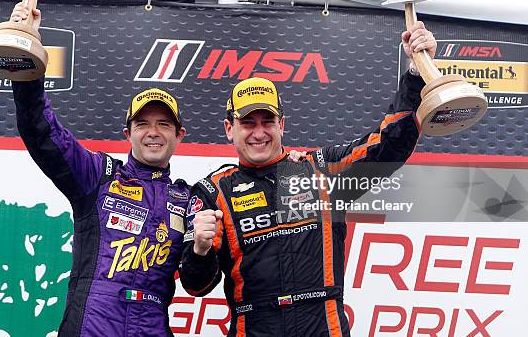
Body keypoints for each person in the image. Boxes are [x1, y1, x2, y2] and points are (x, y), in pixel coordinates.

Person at [179, 22, 437, 336]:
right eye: (247, 123)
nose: (259, 132)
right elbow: (196, 285)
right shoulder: (213, 192)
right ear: (229, 129)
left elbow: (388, 146)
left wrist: (416, 72)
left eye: (267, 121)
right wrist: (200, 250)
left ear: (282, 124)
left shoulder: (321, 170)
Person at [10, 3, 191, 336]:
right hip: (91, 326)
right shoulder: (99, 176)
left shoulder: (188, 198)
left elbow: (198, 277)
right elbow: (42, 132)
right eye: (143, 123)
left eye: (164, 124)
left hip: (153, 326)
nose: (153, 132)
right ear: (128, 133)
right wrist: (28, 60)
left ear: (179, 135)